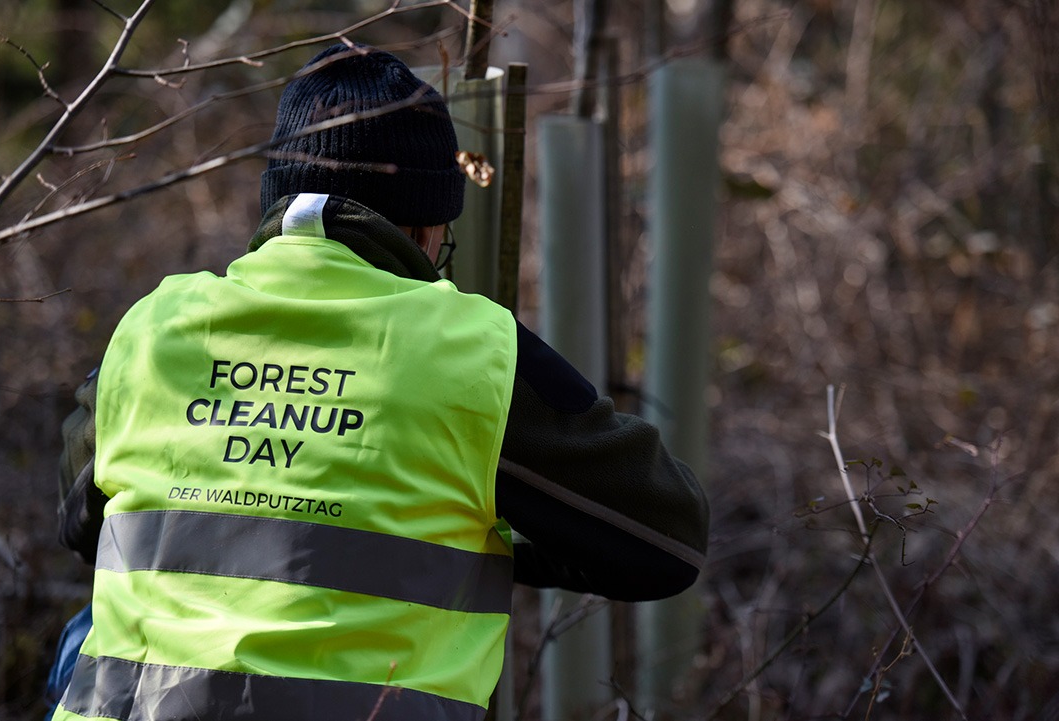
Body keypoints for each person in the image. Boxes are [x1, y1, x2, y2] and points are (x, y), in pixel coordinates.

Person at [50, 43, 709, 721]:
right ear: (427, 229)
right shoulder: (472, 351)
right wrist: (482, 528)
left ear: (278, 199)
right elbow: (668, 538)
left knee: (85, 635)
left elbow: (83, 518)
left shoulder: (155, 325)